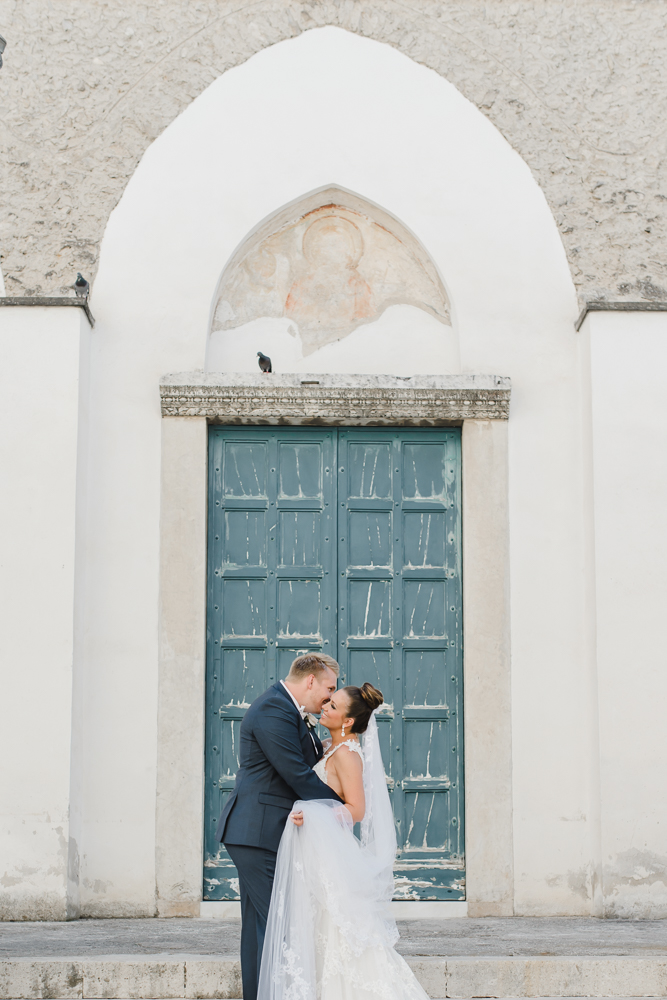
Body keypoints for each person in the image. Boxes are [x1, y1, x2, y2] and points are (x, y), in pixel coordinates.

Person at [258, 683, 430, 1000]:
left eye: (333, 706)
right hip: (320, 852)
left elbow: (356, 810)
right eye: (328, 702)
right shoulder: (332, 748)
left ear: (348, 721)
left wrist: (311, 813)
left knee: (338, 929)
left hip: (331, 856)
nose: (325, 706)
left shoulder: (348, 755)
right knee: (322, 928)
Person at [216, 653, 343, 1000]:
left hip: (264, 830)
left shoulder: (290, 710)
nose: (331, 697)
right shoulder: (274, 709)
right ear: (311, 680)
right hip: (256, 832)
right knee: (282, 924)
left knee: (261, 930)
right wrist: (341, 806)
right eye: (330, 688)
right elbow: (295, 773)